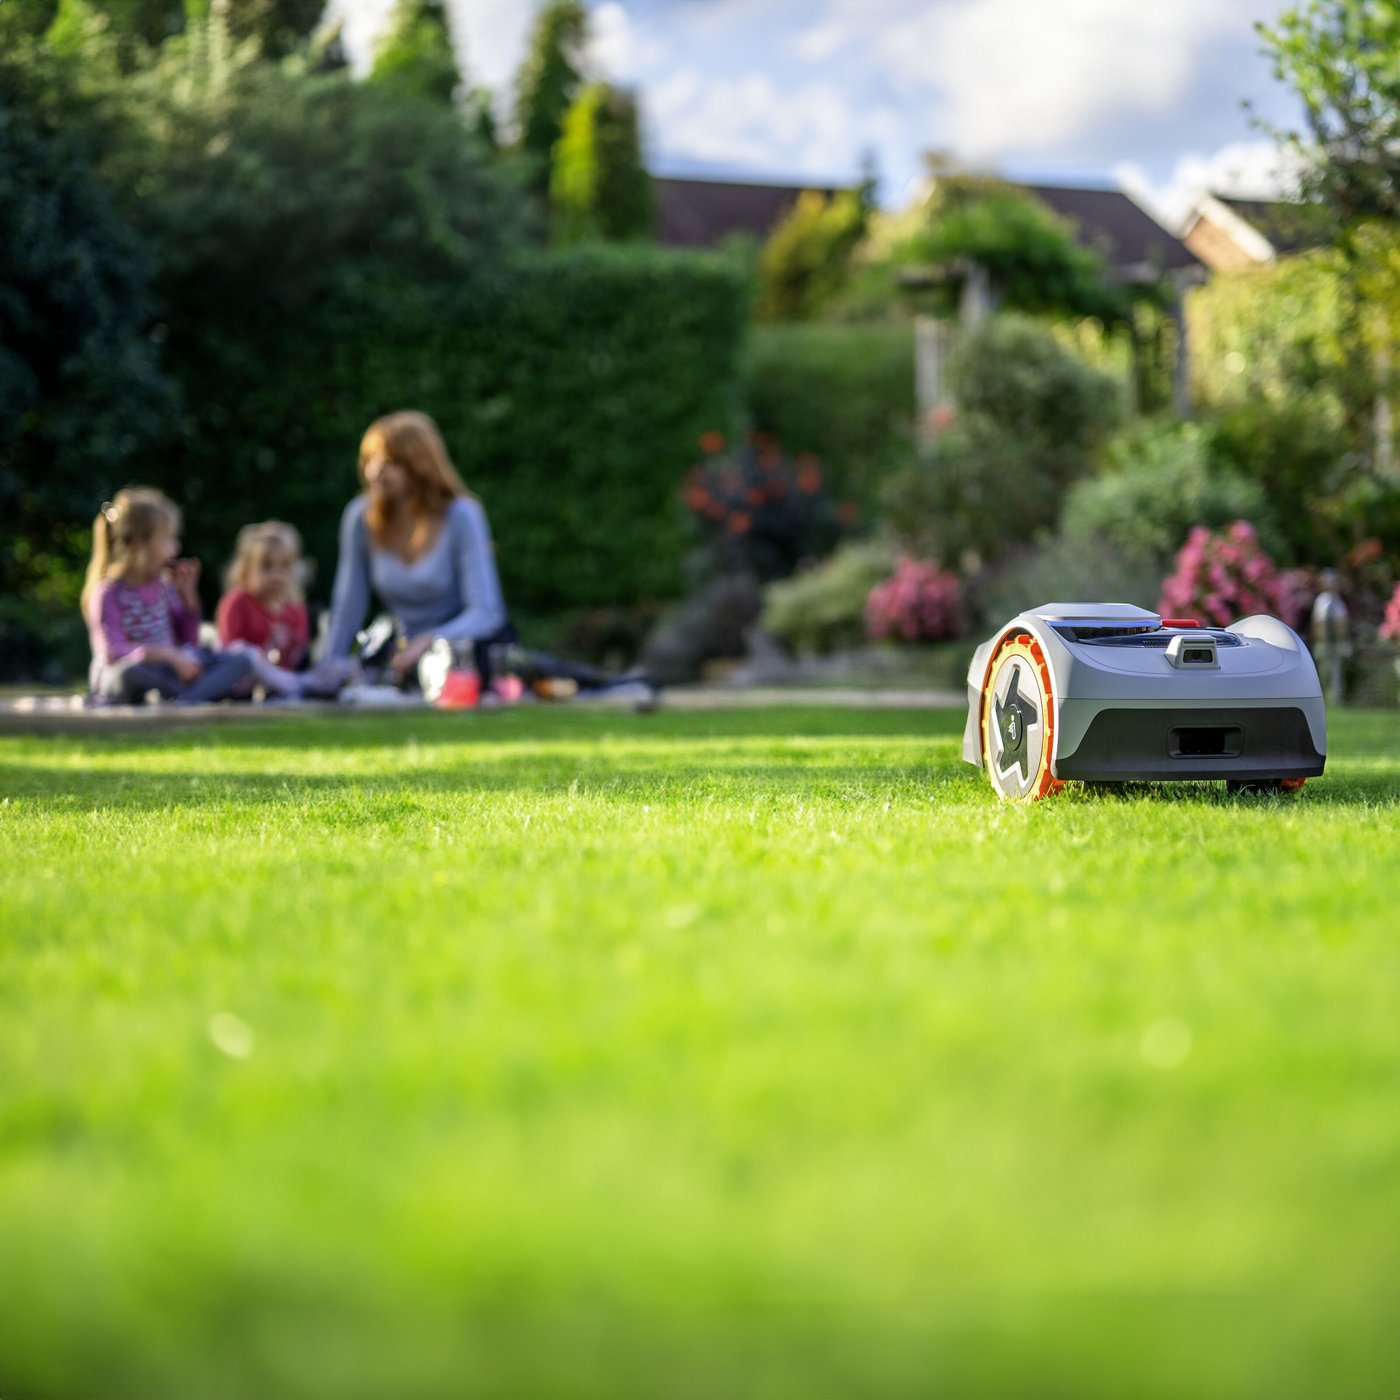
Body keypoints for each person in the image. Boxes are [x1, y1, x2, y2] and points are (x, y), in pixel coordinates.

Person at [325, 410, 513, 682]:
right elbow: (349, 603)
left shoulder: (461, 515)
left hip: (462, 654)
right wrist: (329, 664)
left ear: (419, 464)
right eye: (371, 459)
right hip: (401, 652)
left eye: (390, 461)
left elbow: (486, 612)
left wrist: (432, 640)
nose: (376, 470)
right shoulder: (360, 517)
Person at [82, 487, 253, 704]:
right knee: (126, 674)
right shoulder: (108, 593)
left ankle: (181, 699)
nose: (175, 549)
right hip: (133, 671)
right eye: (168, 540)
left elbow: (188, 641)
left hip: (168, 672)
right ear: (138, 544)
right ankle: (190, 697)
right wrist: (166, 655)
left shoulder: (165, 587)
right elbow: (112, 652)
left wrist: (188, 597)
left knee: (242, 660)